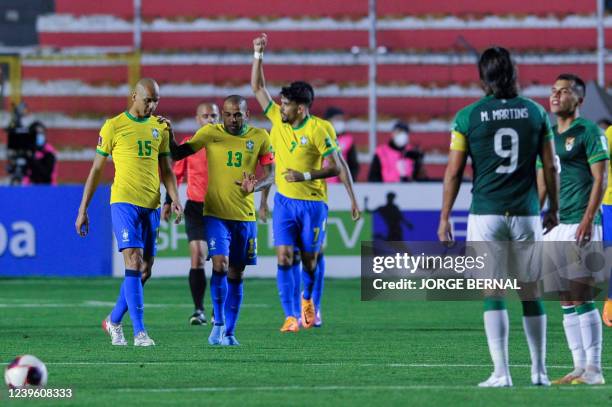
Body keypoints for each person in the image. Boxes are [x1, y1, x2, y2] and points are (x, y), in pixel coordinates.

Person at [437, 47, 560, 387]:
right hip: (525, 212)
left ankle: (502, 373)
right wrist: (555, 209)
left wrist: (444, 216)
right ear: (514, 73)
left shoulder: (468, 116)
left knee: (493, 291)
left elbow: (453, 173)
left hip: (486, 212)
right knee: (530, 291)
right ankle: (539, 372)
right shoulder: (536, 113)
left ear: (483, 78)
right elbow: (550, 166)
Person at [251, 33, 360, 333]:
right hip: (285, 202)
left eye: (285, 104)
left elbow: (338, 167)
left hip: (312, 204)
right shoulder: (277, 119)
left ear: (300, 108)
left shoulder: (319, 129)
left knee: (310, 260)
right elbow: (258, 87)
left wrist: (347, 196)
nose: (279, 107)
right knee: (285, 256)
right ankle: (290, 316)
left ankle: (309, 300)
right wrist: (258, 54)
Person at [75, 78, 183, 347]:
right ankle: (140, 332)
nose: (152, 106)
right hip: (123, 202)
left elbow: (167, 169)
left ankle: (112, 320)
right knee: (133, 262)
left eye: (156, 101)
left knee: (145, 270)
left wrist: (175, 198)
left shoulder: (160, 127)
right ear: (134, 95)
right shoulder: (113, 126)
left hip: (152, 205)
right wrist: (83, 209)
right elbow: (96, 170)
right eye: (148, 100)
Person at [165, 95, 274, 346]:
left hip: (244, 216)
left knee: (237, 272)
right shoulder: (209, 133)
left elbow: (271, 175)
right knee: (220, 265)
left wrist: (255, 186)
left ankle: (230, 332)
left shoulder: (260, 137)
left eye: (238, 114)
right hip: (214, 214)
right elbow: (179, 153)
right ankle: (218, 323)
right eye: (228, 114)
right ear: (222, 114)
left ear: (247, 115)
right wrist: (169, 134)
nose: (232, 119)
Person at [537, 74, 607, 385]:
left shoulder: (589, 132)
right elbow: (542, 182)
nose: (556, 96)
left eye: (564, 91)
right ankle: (578, 366)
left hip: (582, 222)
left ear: (578, 100)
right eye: (553, 91)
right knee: (564, 297)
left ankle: (594, 369)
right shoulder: (548, 135)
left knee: (581, 293)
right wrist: (536, 214)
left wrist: (589, 218)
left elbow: (600, 178)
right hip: (555, 224)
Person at [162, 102, 220, 326]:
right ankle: (198, 310)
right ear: (198, 119)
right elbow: (175, 176)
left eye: (213, 115)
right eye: (205, 115)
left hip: (221, 208)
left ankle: (218, 308)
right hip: (196, 207)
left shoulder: (225, 145)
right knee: (197, 255)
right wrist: (168, 201)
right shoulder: (189, 145)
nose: (210, 119)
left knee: (219, 261)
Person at [325, 106, 359, 182]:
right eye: (337, 119)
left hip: (340, 185)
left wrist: (349, 181)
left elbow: (353, 164)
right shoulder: (317, 138)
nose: (340, 122)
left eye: (342, 119)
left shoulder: (348, 140)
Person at [23, 121, 57, 185]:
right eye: (36, 133)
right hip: (28, 189)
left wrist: (32, 159)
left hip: (47, 189)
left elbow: (46, 174)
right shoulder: (27, 152)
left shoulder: (49, 152)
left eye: (42, 133)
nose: (40, 136)